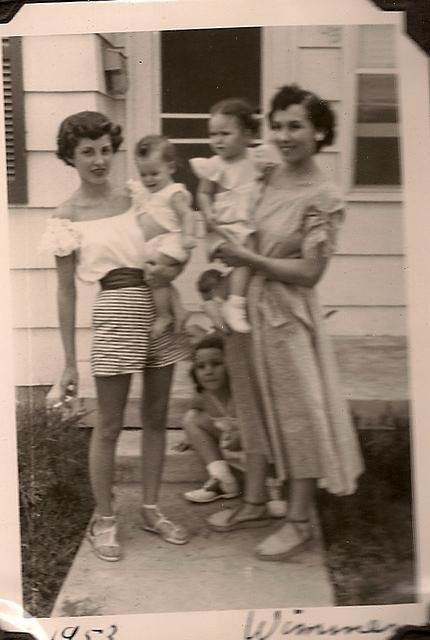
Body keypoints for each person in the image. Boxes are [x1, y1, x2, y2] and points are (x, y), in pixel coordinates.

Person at [207, 84, 364, 561]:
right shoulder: (268, 176)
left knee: (299, 415)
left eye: (296, 125)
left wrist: (246, 256)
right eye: (277, 125)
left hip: (286, 316)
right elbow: (240, 226)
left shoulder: (323, 196)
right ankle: (256, 501)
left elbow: (311, 272)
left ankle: (298, 520)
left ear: (320, 131)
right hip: (247, 307)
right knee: (251, 406)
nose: (284, 134)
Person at [40, 111, 190, 562]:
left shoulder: (133, 195)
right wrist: (69, 362)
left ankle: (149, 507)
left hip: (156, 303)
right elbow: (66, 291)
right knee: (107, 424)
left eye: (105, 149)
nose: (99, 160)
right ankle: (105, 519)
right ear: (71, 157)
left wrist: (175, 268)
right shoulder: (66, 218)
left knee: (157, 413)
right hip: (114, 310)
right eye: (88, 152)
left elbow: (167, 243)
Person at [190, 98, 279, 334]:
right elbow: (203, 193)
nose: (217, 140)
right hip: (222, 228)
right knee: (247, 253)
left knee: (250, 257)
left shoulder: (255, 160)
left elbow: (269, 187)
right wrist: (207, 212)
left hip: (247, 225)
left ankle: (218, 301)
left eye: (225, 133)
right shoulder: (214, 165)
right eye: (213, 134)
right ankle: (235, 304)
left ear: (247, 136)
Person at [130, 135, 197, 339]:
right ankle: (179, 310)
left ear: (170, 168)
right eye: (144, 174)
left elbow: (187, 214)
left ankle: (164, 315)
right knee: (160, 278)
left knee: (153, 275)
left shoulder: (173, 193)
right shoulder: (148, 193)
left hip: (171, 242)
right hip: (157, 244)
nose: (149, 179)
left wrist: (188, 236)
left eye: (154, 174)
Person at [182, 332, 242, 503]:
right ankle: (223, 479)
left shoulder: (241, 393)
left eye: (216, 364)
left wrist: (244, 434)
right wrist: (191, 438)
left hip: (255, 453)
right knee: (191, 418)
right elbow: (195, 416)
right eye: (201, 367)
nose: (208, 372)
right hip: (230, 448)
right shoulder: (203, 396)